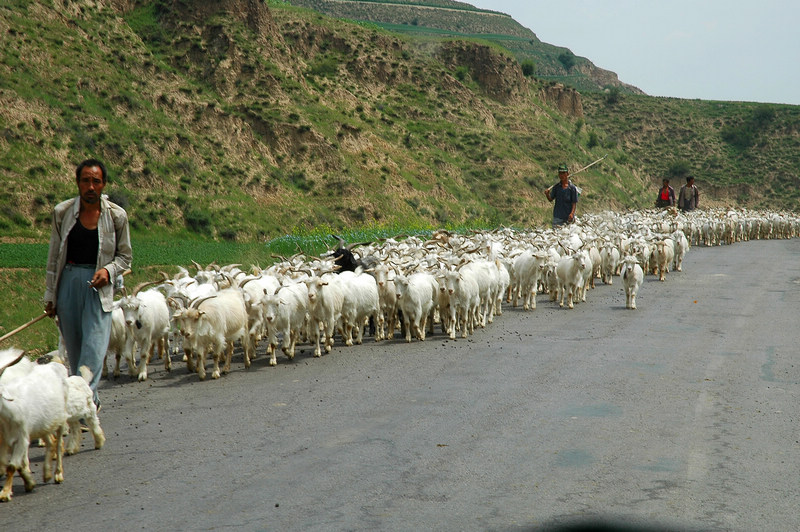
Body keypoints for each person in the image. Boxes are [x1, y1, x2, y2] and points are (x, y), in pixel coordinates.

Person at [44, 159, 132, 410]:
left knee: (93, 351)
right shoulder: (62, 212)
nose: (90, 186)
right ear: (78, 183)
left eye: (96, 181)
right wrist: (50, 295)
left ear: (103, 184)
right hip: (69, 283)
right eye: (85, 180)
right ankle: (89, 403)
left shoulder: (116, 216)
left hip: (99, 288)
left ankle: (82, 410)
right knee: (74, 350)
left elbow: (125, 257)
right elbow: (53, 256)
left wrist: (108, 270)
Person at [544, 162, 578, 227]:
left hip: (568, 218)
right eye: (560, 173)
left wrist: (572, 214)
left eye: (563, 173)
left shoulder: (572, 188)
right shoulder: (556, 187)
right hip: (557, 218)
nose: (562, 175)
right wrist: (547, 194)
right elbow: (550, 199)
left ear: (567, 174)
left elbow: (574, 203)